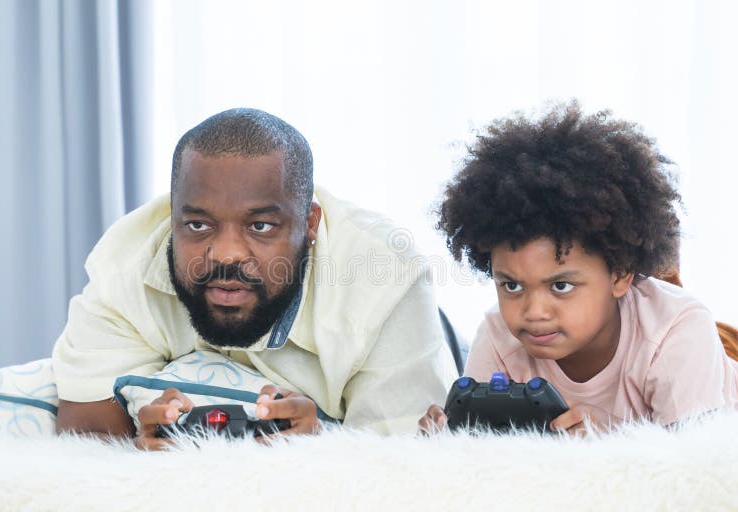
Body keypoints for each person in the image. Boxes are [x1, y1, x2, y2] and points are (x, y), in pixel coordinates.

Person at [53, 108, 457, 448]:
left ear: (309, 224)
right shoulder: (126, 263)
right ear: (171, 218)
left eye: (261, 226)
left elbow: (405, 470)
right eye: (197, 225)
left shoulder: (387, 278)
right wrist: (141, 453)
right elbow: (85, 433)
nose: (227, 254)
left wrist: (320, 451)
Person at [419, 103, 738, 434]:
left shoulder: (676, 330)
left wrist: (614, 441)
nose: (534, 311)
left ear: (620, 274)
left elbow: (698, 470)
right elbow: (484, 455)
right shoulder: (500, 336)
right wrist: (448, 440)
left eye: (560, 286)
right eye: (512, 286)